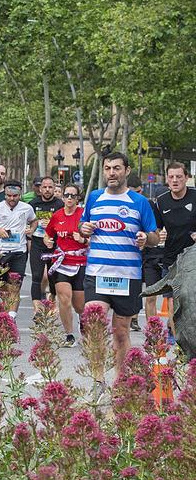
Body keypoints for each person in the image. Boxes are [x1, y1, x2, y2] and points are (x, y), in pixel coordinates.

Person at [80, 153, 158, 375]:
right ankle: (97, 382)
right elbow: (83, 226)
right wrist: (83, 229)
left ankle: (120, 384)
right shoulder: (94, 198)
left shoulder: (139, 202)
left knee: (121, 332)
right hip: (97, 273)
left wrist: (145, 238)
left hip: (127, 276)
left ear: (127, 171)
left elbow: (154, 237)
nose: (111, 173)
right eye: (107, 168)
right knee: (93, 324)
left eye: (116, 168)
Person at [144, 162, 196, 322]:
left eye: (179, 177)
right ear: (167, 179)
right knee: (173, 305)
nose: (175, 180)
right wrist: (157, 235)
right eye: (171, 177)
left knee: (190, 306)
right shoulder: (161, 201)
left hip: (193, 261)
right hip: (171, 262)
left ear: (186, 178)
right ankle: (178, 345)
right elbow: (156, 230)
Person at [44, 184, 88, 347]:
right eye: (67, 195)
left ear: (77, 199)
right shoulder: (56, 216)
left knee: (79, 305)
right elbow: (47, 235)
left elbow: (94, 240)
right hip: (61, 262)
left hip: (80, 262)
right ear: (62, 197)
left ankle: (82, 321)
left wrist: (83, 240)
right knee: (64, 298)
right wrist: (48, 241)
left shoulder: (83, 215)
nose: (69, 198)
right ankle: (69, 335)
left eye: (73, 196)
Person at [0, 181, 36, 317]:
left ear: (20, 194)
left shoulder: (27, 208)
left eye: (15, 196)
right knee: (0, 288)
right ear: (5, 194)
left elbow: (34, 220)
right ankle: (1, 316)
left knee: (15, 286)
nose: (11, 199)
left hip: (19, 252)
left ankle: (11, 317)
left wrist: (31, 230)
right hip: (0, 252)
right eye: (8, 195)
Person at [28, 177, 64, 314]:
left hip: (53, 245)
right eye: (45, 187)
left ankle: (52, 301)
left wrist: (52, 224)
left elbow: (64, 222)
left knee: (53, 276)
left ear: (54, 189)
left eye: (50, 187)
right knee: (36, 277)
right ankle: (37, 309)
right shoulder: (32, 204)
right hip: (37, 243)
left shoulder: (60, 204)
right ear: (40, 188)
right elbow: (28, 222)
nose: (47, 190)